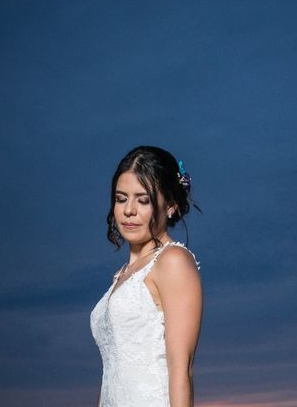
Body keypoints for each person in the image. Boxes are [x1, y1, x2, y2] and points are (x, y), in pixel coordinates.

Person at [90, 146, 203, 407]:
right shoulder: (123, 274)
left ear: (171, 206)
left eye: (143, 200)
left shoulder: (172, 262)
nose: (129, 210)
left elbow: (181, 370)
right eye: (121, 199)